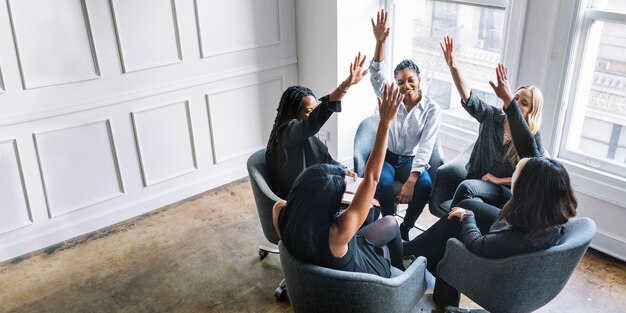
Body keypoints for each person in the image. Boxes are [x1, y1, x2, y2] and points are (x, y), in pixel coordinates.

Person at [403, 157, 578, 307]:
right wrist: (467, 212)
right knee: (467, 205)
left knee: (458, 223)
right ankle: (419, 253)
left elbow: (476, 244)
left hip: (494, 273)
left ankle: (411, 252)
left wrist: (467, 218)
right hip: (517, 236)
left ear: (528, 192)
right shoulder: (551, 218)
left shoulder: (518, 239)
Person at [273, 83, 405, 277]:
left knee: (386, 222)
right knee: (391, 222)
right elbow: (372, 178)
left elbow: (300, 204)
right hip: (361, 281)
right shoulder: (339, 232)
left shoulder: (279, 211)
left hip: (320, 272)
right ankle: (400, 277)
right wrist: (385, 124)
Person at [440, 35, 545, 208]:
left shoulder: (532, 136)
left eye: (524, 103)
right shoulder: (492, 116)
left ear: (531, 113)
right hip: (474, 182)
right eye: (515, 98)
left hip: (501, 190)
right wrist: (453, 66)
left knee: (468, 194)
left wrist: (498, 180)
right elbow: (469, 97)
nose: (516, 104)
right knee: (471, 202)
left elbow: (533, 176)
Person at [369, 9, 442, 240]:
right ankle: (389, 228)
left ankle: (405, 229)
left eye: (411, 80)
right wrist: (379, 42)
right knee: (386, 183)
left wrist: (411, 181)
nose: (406, 85)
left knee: (425, 185)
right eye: (401, 81)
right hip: (387, 157)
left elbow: (426, 148)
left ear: (419, 80)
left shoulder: (432, 109)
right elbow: (375, 75)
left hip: (410, 160)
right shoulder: (391, 95)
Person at [265, 53, 368, 199]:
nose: (313, 114)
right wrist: (345, 86)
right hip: (296, 197)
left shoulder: (303, 137)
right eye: (309, 112)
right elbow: (312, 123)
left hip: (309, 185)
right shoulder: (287, 132)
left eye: (315, 109)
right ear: (294, 112)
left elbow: (323, 158)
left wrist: (343, 169)